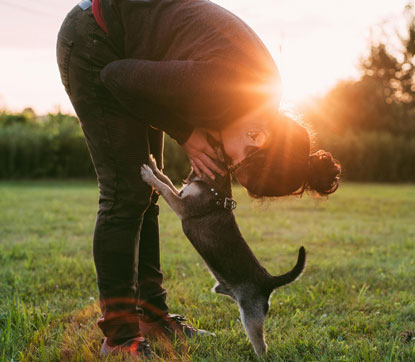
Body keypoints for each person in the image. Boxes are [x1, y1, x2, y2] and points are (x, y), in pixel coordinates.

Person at [56, 0, 341, 358]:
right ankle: (119, 339)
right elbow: (115, 76)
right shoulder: (224, 86)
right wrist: (185, 131)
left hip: (126, 48)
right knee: (125, 192)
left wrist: (189, 129)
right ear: (257, 137)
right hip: (96, 40)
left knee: (144, 193)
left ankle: (152, 317)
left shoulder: (258, 99)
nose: (227, 166)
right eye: (237, 166)